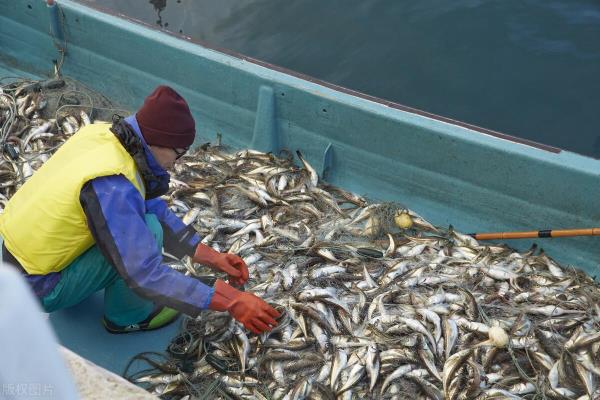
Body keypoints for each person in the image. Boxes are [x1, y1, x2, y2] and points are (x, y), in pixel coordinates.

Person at [0, 85, 279, 334]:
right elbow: (143, 274)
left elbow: (149, 204)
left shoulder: (102, 136)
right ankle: (126, 318)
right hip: (36, 287)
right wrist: (231, 301)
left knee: (147, 222)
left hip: (12, 254)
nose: (178, 163)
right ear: (158, 143)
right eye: (178, 153)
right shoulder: (112, 185)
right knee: (148, 233)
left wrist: (212, 258)